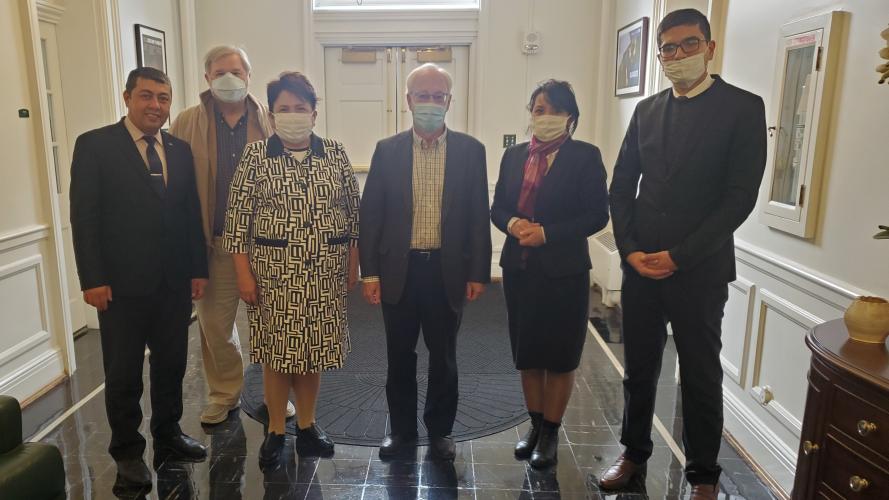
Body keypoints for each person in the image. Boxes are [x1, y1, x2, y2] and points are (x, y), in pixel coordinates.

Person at [601, 9, 766, 500]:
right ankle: (633, 455)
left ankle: (703, 477)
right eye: (667, 49)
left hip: (700, 268)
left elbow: (739, 197)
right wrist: (629, 251)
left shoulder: (742, 108)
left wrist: (679, 255)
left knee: (699, 373)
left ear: (710, 48)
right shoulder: (647, 111)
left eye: (687, 45)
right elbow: (621, 185)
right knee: (639, 371)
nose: (677, 56)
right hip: (641, 267)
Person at [69, 67, 209, 490]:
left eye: (163, 98)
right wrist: (92, 278)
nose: (156, 106)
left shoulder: (179, 150)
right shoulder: (95, 146)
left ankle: (168, 435)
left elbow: (188, 214)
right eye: (147, 96)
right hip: (121, 286)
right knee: (124, 373)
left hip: (173, 283)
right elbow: (85, 217)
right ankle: (127, 452)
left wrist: (197, 270)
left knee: (172, 367)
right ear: (127, 97)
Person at [223, 71, 360, 468]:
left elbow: (354, 215)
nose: (293, 115)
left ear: (314, 114)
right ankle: (276, 432)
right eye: (284, 108)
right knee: (278, 356)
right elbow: (237, 223)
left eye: (300, 108)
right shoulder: (254, 157)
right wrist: (243, 274)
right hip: (273, 276)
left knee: (312, 354)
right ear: (272, 114)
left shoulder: (334, 153)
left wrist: (354, 264)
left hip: (324, 274)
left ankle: (307, 425)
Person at [360, 63, 492, 461]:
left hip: (446, 271)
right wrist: (371, 273)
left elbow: (476, 215)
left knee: (444, 355)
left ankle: (440, 432)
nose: (430, 103)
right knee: (399, 356)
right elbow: (372, 216)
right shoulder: (387, 151)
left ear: (449, 101)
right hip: (399, 271)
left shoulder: (471, 151)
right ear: (408, 100)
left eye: (438, 96)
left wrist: (479, 271)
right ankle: (401, 432)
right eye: (423, 95)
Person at [170, 45, 295, 425]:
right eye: (221, 72)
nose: (229, 79)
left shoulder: (271, 121)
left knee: (277, 325)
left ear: (248, 76)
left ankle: (280, 396)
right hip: (214, 244)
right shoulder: (186, 123)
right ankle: (225, 394)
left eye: (237, 72)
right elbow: (176, 190)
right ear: (207, 78)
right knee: (215, 328)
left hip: (267, 245)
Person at [491, 79, 609, 469]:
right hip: (519, 269)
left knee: (559, 356)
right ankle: (535, 426)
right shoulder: (514, 156)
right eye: (538, 110)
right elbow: (498, 207)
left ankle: (552, 433)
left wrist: (547, 234)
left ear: (570, 117)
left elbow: (596, 215)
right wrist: (513, 226)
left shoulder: (585, 157)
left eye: (553, 110)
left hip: (564, 273)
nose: (544, 117)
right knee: (528, 355)